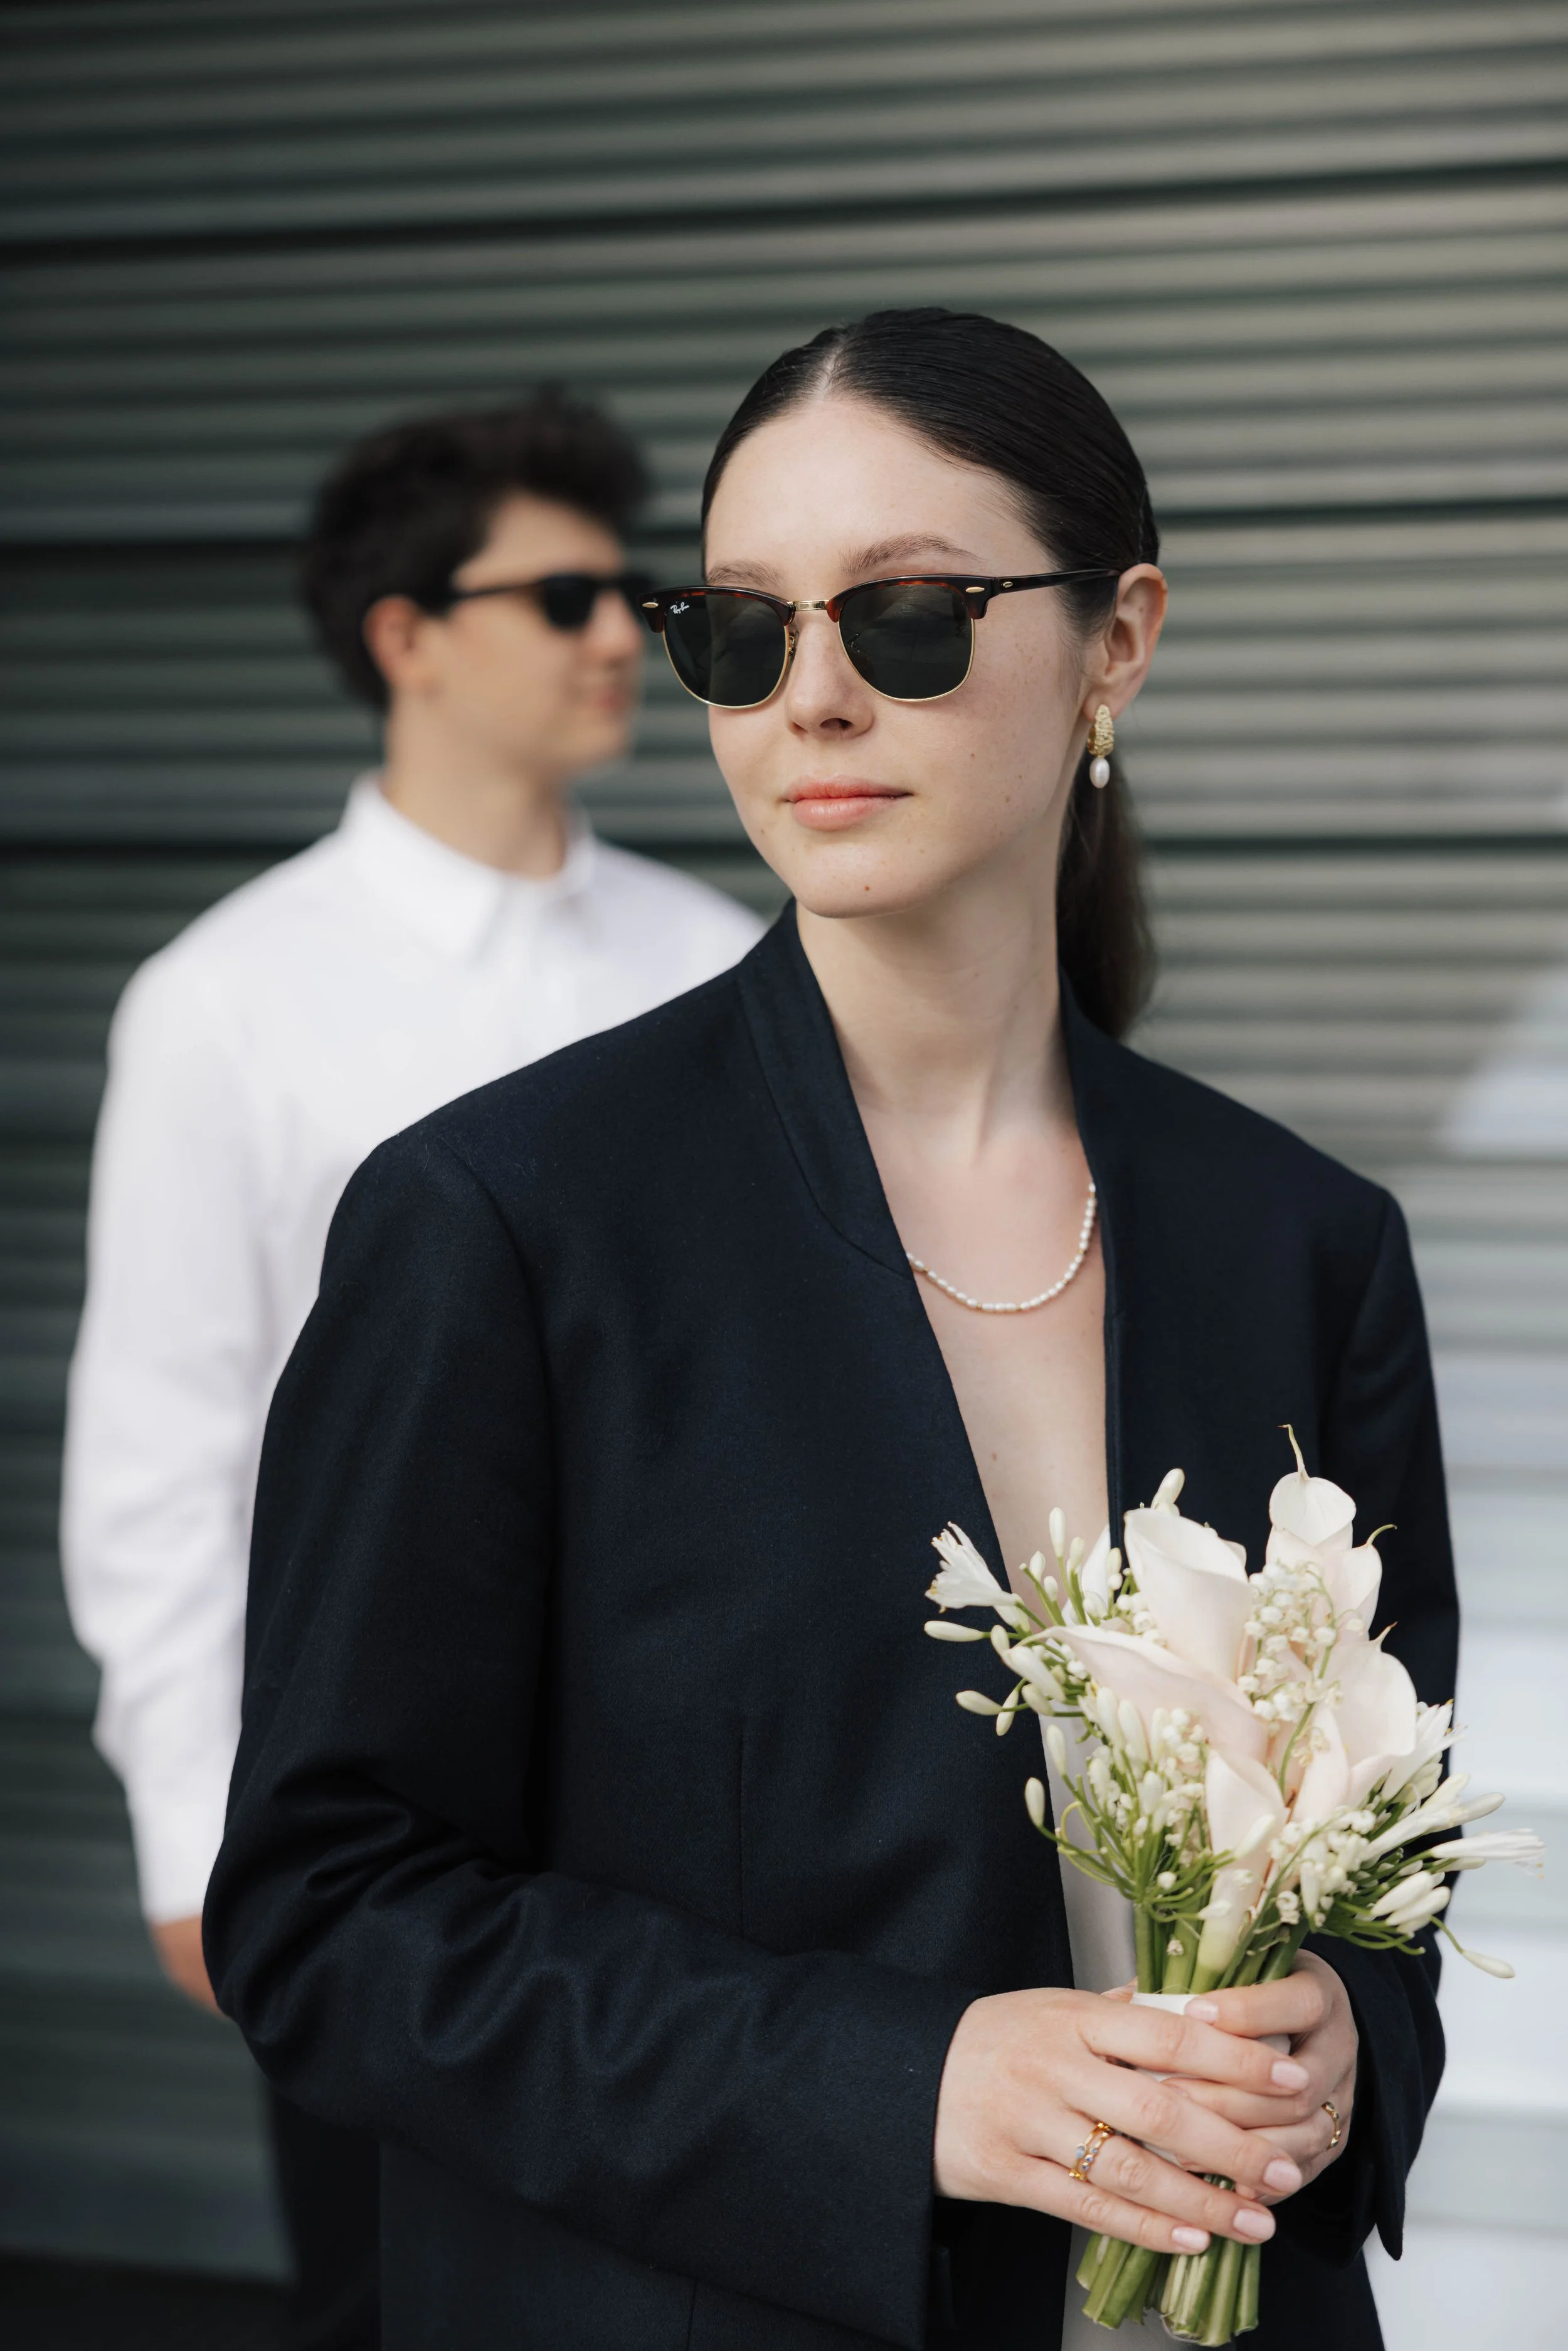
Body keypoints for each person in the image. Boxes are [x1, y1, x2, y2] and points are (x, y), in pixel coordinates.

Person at [204, 313, 1456, 2351]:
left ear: (1116, 640)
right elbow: (331, 1912)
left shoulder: (1301, 1238)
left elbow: (1386, 1842)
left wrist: (1340, 2023)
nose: (809, 698)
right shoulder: (503, 1222)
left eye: (904, 617)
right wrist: (906, 2086)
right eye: (738, 628)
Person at [60, 390, 762, 2348]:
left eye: (628, 589)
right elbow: (162, 1444)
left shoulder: (720, 957)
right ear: (405, 635)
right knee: (406, 2300)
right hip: (379, 1807)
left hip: (690, 1796)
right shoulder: (228, 998)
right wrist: (201, 1836)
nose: (624, 631)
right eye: (560, 596)